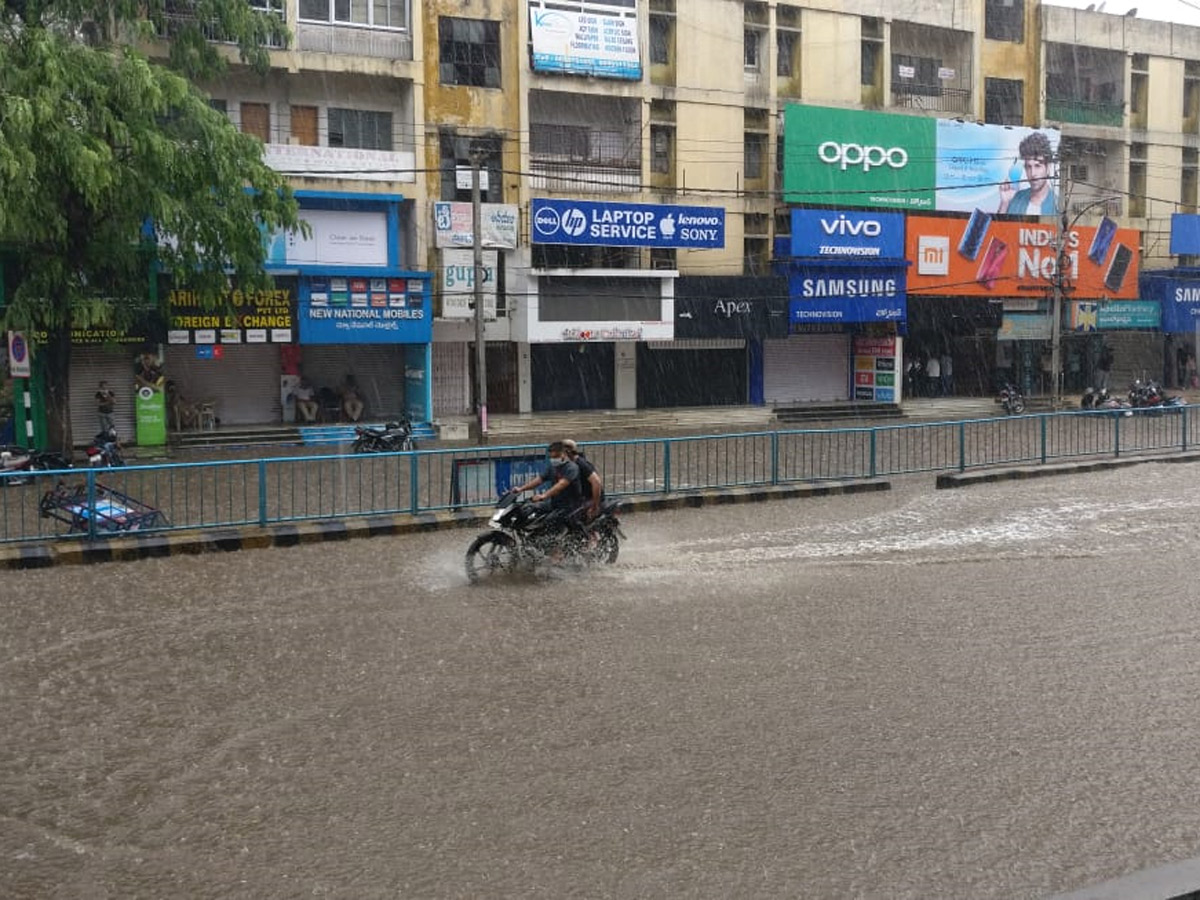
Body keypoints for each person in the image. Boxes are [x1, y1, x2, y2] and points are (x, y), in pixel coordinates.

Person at [512, 441, 582, 531]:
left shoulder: (572, 468)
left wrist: (543, 495)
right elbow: (539, 480)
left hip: (570, 506)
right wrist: (521, 489)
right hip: (554, 503)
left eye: (556, 457)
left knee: (547, 522)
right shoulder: (553, 468)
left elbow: (561, 485)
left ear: (564, 454)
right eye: (551, 457)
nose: (553, 460)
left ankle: (554, 542)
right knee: (528, 508)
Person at [997, 131, 1058, 216]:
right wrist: (1005, 203)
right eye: (1029, 167)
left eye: (1037, 166)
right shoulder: (1017, 199)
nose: (1033, 173)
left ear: (1048, 167)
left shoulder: (1058, 206)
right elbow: (999, 228)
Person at [563, 439, 603, 522]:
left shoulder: (581, 464)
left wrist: (595, 506)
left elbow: (596, 482)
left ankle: (591, 534)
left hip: (591, 499)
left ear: (568, 452)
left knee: (578, 520)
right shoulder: (570, 465)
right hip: (581, 498)